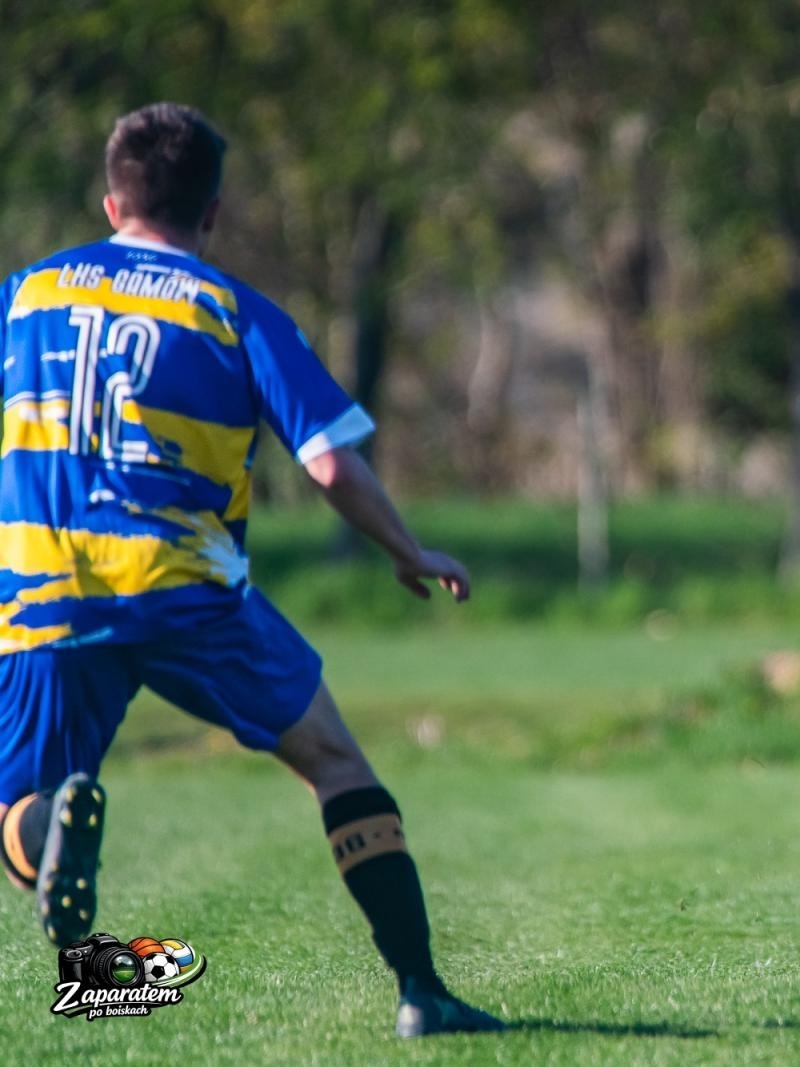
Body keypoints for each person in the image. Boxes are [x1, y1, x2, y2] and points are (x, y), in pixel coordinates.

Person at [0, 102, 503, 1036]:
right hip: (185, 587)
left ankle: (46, 832)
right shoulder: (232, 310)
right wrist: (408, 550)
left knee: (17, 804)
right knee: (333, 759)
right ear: (215, 210)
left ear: (112, 202)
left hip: (43, 592)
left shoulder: (22, 297)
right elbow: (329, 462)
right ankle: (422, 993)